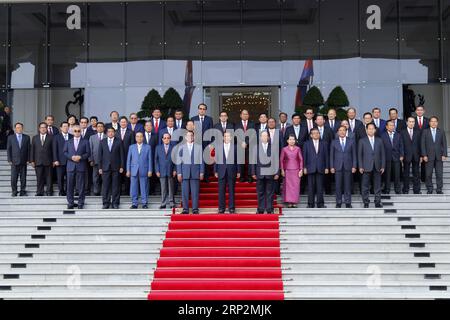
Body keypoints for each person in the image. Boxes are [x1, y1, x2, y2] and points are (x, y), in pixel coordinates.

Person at [250, 131, 279, 214]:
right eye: (263, 136)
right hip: (259, 173)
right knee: (260, 192)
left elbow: (276, 161)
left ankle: (270, 209)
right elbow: (253, 161)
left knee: (270, 192)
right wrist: (253, 172)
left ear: (268, 137)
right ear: (260, 137)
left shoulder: (273, 147)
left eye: (266, 136)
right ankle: (261, 208)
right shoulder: (256, 147)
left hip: (270, 173)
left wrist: (277, 173)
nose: (264, 137)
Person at [176, 131, 204, 214]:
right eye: (188, 136)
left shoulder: (199, 147)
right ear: (185, 137)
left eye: (192, 135)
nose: (190, 137)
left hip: (195, 172)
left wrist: (202, 172)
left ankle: (195, 209)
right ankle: (185, 209)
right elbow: (178, 161)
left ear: (194, 137)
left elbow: (201, 161)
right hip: (184, 172)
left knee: (195, 192)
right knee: (184, 192)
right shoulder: (181, 147)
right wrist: (179, 172)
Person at [358, 123, 385, 208]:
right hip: (366, 166)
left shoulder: (379, 140)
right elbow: (360, 155)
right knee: (365, 185)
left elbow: (382, 154)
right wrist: (360, 166)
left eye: (372, 129)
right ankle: (366, 202)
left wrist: (383, 166)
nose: (371, 130)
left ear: (375, 130)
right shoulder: (362, 140)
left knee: (377, 186)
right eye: (369, 129)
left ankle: (377, 202)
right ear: (366, 130)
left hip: (377, 166)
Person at [330, 126, 357, 208]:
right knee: (338, 185)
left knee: (347, 185)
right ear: (338, 132)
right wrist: (331, 166)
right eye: (340, 130)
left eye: (343, 130)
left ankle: (348, 202)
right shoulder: (334, 142)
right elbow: (331, 155)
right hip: (337, 166)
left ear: (346, 132)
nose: (342, 132)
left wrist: (354, 166)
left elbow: (354, 155)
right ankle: (338, 202)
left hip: (348, 166)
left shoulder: (351, 141)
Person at [64, 125, 90, 209]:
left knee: (81, 186)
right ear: (72, 131)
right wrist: (71, 157)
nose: (77, 132)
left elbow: (88, 153)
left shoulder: (85, 141)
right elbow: (64, 152)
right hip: (70, 166)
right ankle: (70, 203)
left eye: (79, 131)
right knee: (69, 185)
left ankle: (80, 203)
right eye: (75, 131)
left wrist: (81, 157)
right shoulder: (68, 141)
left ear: (81, 132)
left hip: (81, 166)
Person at [214, 131, 240, 214]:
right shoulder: (218, 147)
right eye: (225, 136)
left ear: (231, 138)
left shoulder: (235, 147)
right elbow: (216, 160)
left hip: (232, 171)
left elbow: (238, 160)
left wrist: (238, 171)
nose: (226, 138)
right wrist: (215, 170)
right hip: (221, 171)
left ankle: (231, 208)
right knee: (221, 190)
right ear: (223, 138)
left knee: (231, 190)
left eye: (228, 136)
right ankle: (221, 208)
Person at [98, 127, 125, 209]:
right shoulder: (102, 142)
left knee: (116, 186)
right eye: (109, 131)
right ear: (106, 133)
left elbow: (122, 155)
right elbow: (100, 155)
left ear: (114, 132)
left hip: (116, 167)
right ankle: (106, 203)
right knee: (105, 186)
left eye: (112, 131)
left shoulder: (119, 141)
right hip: (105, 167)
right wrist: (100, 167)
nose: (110, 133)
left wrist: (122, 166)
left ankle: (115, 203)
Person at [303, 128, 329, 208]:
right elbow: (304, 156)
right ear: (311, 135)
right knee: (310, 187)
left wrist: (327, 167)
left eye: (317, 133)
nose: (316, 134)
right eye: (314, 133)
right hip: (310, 168)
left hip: (321, 167)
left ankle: (320, 203)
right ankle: (310, 204)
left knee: (320, 187)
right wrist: (304, 167)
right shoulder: (306, 144)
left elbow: (326, 156)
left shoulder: (324, 143)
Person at [421, 116, 448, 194]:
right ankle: (429, 188)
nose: (433, 123)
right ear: (429, 123)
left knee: (439, 174)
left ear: (437, 123)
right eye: (432, 121)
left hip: (439, 156)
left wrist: (444, 154)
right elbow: (422, 144)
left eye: (435, 121)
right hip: (428, 156)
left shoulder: (441, 131)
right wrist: (424, 155)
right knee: (428, 174)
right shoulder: (425, 132)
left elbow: (444, 144)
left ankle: (439, 189)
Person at [127, 132, 153, 209]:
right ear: (135, 138)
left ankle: (144, 203)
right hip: (133, 170)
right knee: (133, 187)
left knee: (144, 187)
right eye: (137, 136)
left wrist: (150, 170)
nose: (139, 138)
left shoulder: (148, 147)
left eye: (141, 136)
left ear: (143, 138)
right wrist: (128, 170)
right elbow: (129, 160)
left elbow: (150, 159)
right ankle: (134, 203)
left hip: (144, 170)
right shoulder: (131, 147)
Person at [191, 103, 214, 182]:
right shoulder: (193, 119)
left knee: (206, 160)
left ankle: (206, 178)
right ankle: (197, 176)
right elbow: (191, 132)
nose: (202, 110)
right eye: (200, 108)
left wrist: (211, 144)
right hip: (196, 143)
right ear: (198, 110)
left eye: (204, 109)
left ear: (205, 110)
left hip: (206, 143)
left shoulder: (209, 119)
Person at [30, 122, 54, 196]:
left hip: (48, 161)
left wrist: (54, 160)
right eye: (41, 127)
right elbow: (32, 150)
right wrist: (32, 160)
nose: (43, 129)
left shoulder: (51, 137)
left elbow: (53, 150)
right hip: (38, 161)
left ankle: (49, 192)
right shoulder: (35, 137)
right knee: (39, 177)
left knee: (49, 178)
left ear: (47, 129)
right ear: (39, 129)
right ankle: (39, 192)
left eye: (44, 127)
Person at [7, 122, 30, 197]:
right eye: (17, 127)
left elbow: (28, 149)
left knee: (23, 178)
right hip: (14, 161)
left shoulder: (27, 137)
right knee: (14, 178)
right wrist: (9, 159)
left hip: (23, 161)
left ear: (22, 129)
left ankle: (23, 191)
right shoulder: (11, 137)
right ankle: (14, 191)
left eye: (20, 127)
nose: (19, 129)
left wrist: (28, 159)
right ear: (15, 129)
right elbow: (9, 149)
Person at [280, 134, 303, 208]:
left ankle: (294, 202)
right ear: (287, 141)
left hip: (296, 170)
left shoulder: (298, 149)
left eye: (293, 139)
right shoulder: (284, 149)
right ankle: (289, 202)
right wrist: (282, 170)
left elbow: (301, 160)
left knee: (295, 186)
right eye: (290, 139)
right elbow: (281, 160)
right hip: (287, 170)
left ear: (295, 141)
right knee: (288, 187)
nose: (292, 141)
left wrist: (301, 169)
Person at [381, 120, 404, 194]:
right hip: (386, 158)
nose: (392, 127)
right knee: (387, 175)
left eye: (393, 125)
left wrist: (401, 155)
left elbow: (401, 146)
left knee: (397, 174)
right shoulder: (382, 135)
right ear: (387, 127)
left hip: (396, 157)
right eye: (390, 125)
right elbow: (381, 148)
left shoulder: (398, 135)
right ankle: (386, 189)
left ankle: (397, 189)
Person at [155, 133, 176, 209]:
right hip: (162, 170)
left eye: (168, 138)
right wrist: (157, 170)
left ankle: (171, 203)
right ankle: (163, 203)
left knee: (171, 187)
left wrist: (175, 170)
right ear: (162, 139)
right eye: (165, 138)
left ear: (170, 139)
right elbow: (156, 160)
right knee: (163, 187)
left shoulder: (173, 147)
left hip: (170, 170)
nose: (166, 139)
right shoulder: (158, 148)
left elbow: (176, 160)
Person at [401, 117, 421, 194]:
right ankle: (405, 190)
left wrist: (421, 155)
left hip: (416, 155)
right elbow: (401, 145)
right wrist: (402, 155)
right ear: (407, 122)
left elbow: (420, 144)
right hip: (406, 156)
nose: (411, 123)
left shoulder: (418, 132)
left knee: (416, 174)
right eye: (410, 121)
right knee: (406, 174)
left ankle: (417, 190)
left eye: (413, 122)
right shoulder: (402, 132)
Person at [235, 109, 256, 183]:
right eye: (243, 114)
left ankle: (250, 176)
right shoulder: (237, 124)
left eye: (246, 114)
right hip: (240, 146)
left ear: (248, 115)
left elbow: (253, 134)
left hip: (250, 146)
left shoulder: (252, 124)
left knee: (250, 162)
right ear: (241, 115)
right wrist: (241, 143)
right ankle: (242, 176)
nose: (245, 115)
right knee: (241, 162)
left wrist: (246, 143)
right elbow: (236, 135)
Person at [52, 122, 72, 196]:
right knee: (60, 177)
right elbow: (54, 149)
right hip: (60, 161)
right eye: (64, 126)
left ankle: (68, 191)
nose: (65, 128)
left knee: (69, 177)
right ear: (60, 128)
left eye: (67, 126)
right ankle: (61, 191)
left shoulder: (72, 136)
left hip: (70, 161)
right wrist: (55, 160)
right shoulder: (56, 137)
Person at [116, 116, 135, 195]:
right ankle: (119, 192)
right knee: (118, 176)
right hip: (117, 158)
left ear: (127, 123)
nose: (123, 123)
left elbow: (132, 145)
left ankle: (127, 192)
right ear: (119, 123)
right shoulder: (115, 132)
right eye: (121, 122)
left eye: (124, 122)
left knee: (127, 175)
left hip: (128, 156)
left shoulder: (131, 132)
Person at [89, 122, 106, 196]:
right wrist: (90, 159)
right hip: (95, 160)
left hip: (105, 161)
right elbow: (90, 149)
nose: (100, 128)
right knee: (95, 177)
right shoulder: (92, 137)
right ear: (96, 128)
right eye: (98, 126)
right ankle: (96, 191)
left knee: (104, 177)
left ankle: (103, 191)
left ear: (104, 128)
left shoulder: (107, 136)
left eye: (101, 126)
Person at [143, 120, 158, 195]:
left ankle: (152, 191)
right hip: (142, 160)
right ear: (144, 127)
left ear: (152, 127)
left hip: (152, 159)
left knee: (152, 176)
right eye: (147, 125)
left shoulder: (155, 136)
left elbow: (157, 147)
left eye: (150, 126)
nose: (149, 127)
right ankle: (143, 191)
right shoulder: (140, 135)